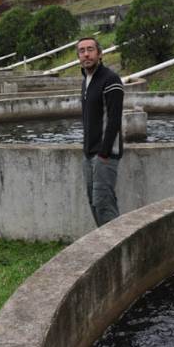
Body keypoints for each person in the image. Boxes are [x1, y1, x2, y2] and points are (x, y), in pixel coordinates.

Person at [77, 36, 124, 226]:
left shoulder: (110, 79)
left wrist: (104, 153)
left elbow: (114, 120)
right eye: (81, 51)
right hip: (89, 154)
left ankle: (116, 249)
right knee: (94, 204)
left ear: (100, 53)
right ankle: (107, 246)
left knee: (104, 205)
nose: (86, 54)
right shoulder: (86, 80)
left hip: (104, 155)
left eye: (90, 49)